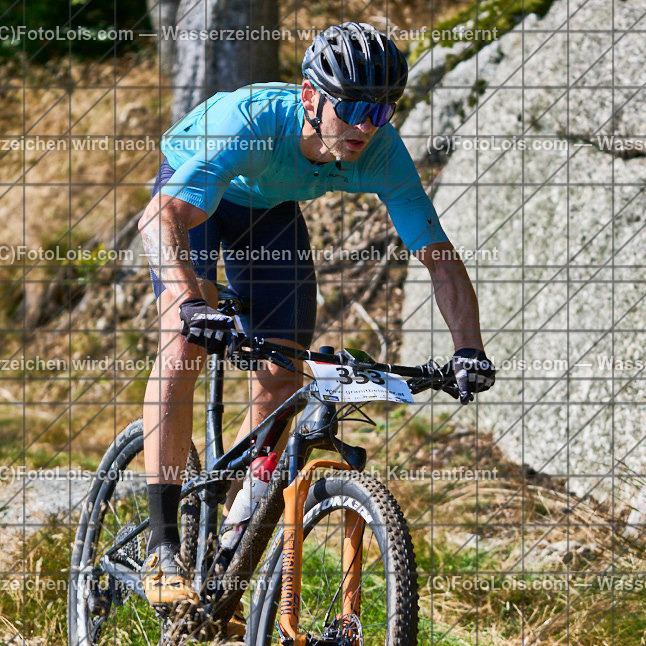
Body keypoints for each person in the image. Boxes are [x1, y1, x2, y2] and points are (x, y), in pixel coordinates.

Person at [137, 22, 495, 605]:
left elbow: (440, 259)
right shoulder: (249, 122)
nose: (363, 127)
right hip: (194, 201)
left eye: (380, 112)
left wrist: (468, 351)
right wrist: (191, 306)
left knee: (283, 376)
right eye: (352, 108)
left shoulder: (381, 151)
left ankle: (228, 559)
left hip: (269, 210)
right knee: (185, 344)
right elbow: (160, 221)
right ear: (310, 97)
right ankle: (162, 548)